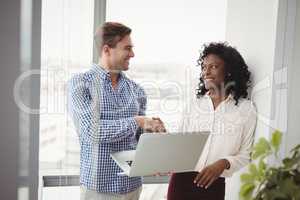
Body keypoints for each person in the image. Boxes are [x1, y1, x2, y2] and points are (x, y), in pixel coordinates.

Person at [68, 22, 166, 200]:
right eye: (127, 48)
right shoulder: (80, 84)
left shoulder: (137, 90)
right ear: (107, 49)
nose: (133, 54)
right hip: (98, 189)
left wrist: (153, 135)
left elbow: (138, 139)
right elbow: (91, 131)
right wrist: (137, 121)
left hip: (132, 186)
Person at [167, 42, 257, 200]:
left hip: (213, 185)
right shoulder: (194, 105)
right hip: (181, 181)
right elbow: (178, 144)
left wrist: (223, 163)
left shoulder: (246, 110)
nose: (206, 72)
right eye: (204, 67)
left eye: (213, 66)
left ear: (229, 71)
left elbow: (245, 154)